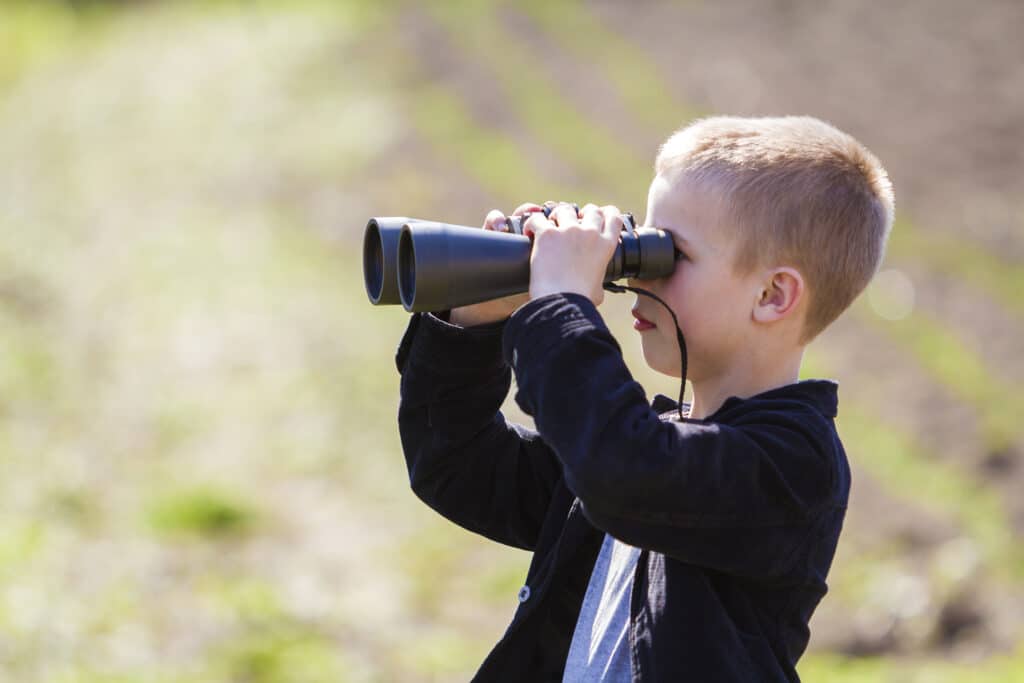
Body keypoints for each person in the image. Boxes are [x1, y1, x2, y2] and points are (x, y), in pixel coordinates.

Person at [394, 116, 894, 682]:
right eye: (642, 244)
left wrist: (559, 307)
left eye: (669, 255)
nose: (639, 277)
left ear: (772, 294)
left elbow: (624, 467)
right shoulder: (646, 449)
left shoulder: (792, 465)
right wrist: (476, 319)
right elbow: (454, 463)